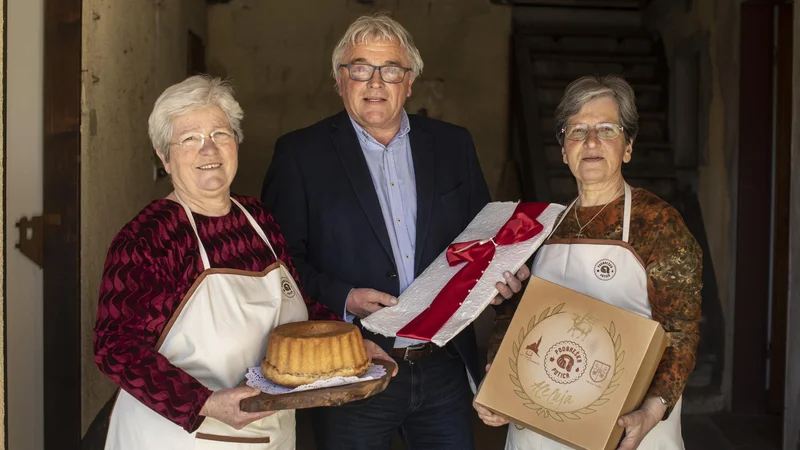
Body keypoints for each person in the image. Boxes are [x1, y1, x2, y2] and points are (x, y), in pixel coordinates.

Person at [261, 13, 529, 450]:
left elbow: (486, 239)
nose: (375, 83)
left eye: (390, 70)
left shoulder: (452, 144)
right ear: (339, 79)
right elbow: (279, 264)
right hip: (353, 365)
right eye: (360, 69)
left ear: (410, 81)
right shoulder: (300, 155)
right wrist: (343, 298)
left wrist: (505, 275)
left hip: (443, 364)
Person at [93, 75, 391, 450]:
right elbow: (115, 347)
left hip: (272, 433)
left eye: (220, 134)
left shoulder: (257, 218)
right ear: (163, 157)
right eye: (189, 139)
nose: (208, 151)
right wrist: (203, 402)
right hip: (179, 437)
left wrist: (349, 344)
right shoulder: (150, 237)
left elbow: (298, 313)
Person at [475, 74, 702, 450]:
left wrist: (651, 409)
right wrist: (498, 388)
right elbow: (514, 320)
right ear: (564, 150)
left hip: (626, 428)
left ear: (627, 146)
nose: (591, 141)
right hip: (540, 430)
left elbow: (680, 333)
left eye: (607, 129)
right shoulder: (540, 226)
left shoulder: (658, 223)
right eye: (577, 130)